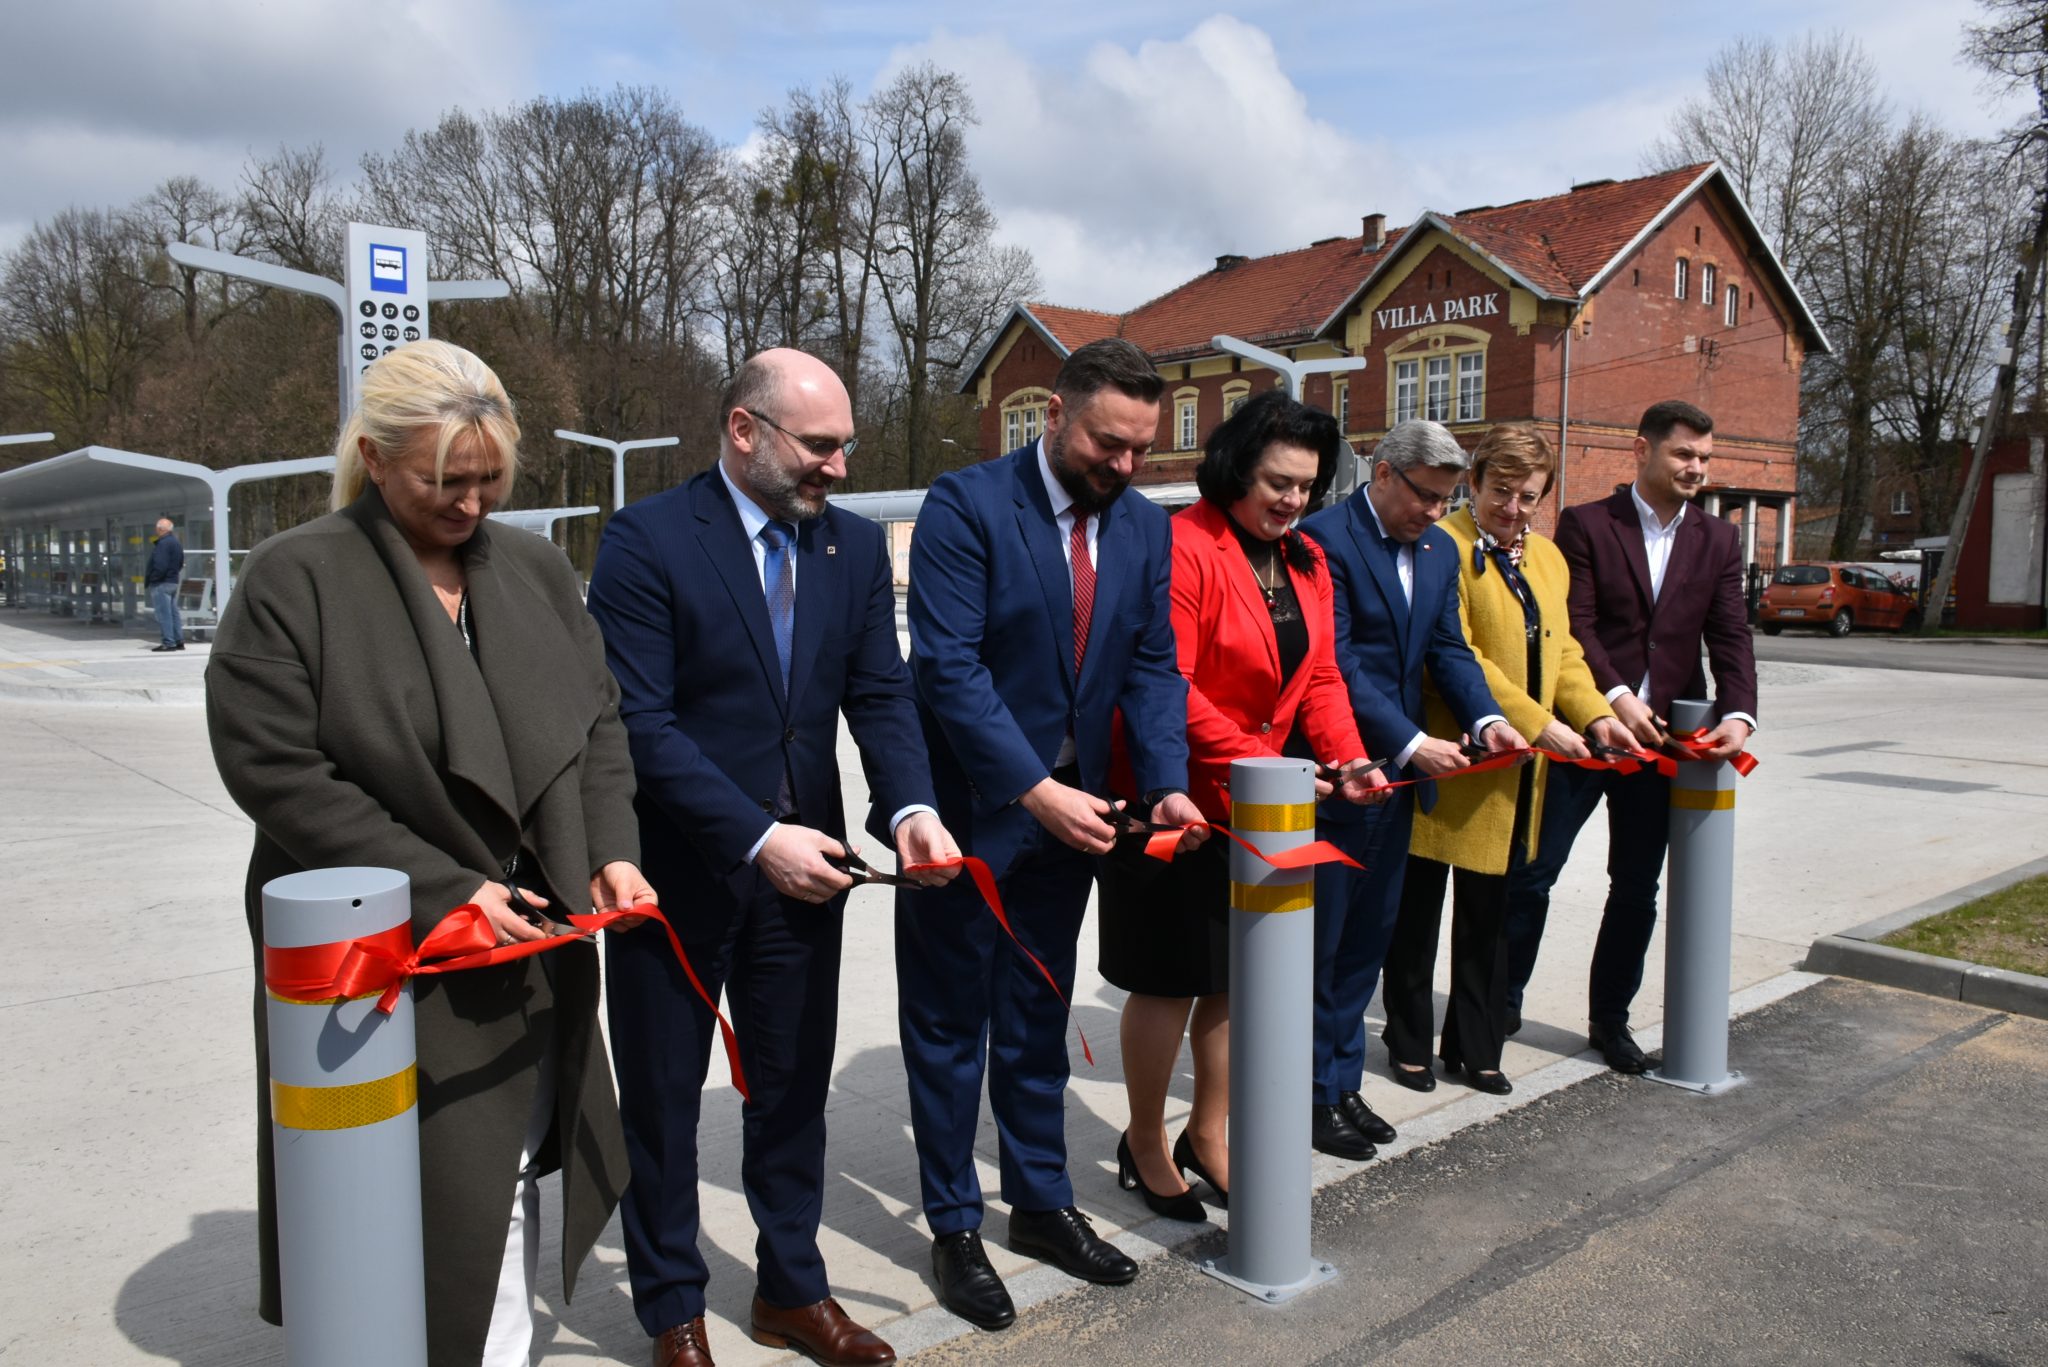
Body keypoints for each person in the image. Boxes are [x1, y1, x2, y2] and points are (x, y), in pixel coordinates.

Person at [206, 339, 651, 1367]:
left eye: (489, 480)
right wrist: (442, 886)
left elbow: (597, 729)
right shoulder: (296, 576)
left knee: (498, 1182)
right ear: (371, 455)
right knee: (389, 1195)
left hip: (523, 947)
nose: (468, 505)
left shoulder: (536, 571)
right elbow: (275, 768)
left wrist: (609, 851)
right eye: (441, 482)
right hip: (375, 956)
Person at [587, 348, 960, 1367]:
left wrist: (912, 805)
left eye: (848, 445)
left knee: (791, 1086)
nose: (839, 467)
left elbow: (879, 692)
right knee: (663, 1097)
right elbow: (642, 726)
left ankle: (791, 1286)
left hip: (813, 877)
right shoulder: (648, 541)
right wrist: (753, 836)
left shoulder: (842, 548)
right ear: (743, 430)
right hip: (676, 876)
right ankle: (672, 1305)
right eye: (821, 445)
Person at [897, 337, 1205, 1331]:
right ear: (1056, 415)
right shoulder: (968, 505)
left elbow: (1154, 666)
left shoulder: (1144, 530)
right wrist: (1031, 788)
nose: (1123, 467)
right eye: (1108, 444)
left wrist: (1161, 783)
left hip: (1078, 813)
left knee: (1034, 1012)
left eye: (1139, 451)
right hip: (975, 813)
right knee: (949, 1023)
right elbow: (946, 668)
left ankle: (1037, 1202)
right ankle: (951, 1223)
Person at [1099, 391, 1388, 1221]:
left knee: (1231, 983)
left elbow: (1323, 677)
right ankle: (1146, 1141)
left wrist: (1346, 755)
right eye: (1277, 480)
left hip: (1261, 805)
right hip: (1174, 803)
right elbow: (1169, 686)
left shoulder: (1306, 562)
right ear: (1235, 467)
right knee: (1167, 981)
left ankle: (1208, 1132)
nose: (1293, 499)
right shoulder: (1184, 546)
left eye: (1306, 483)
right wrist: (1278, 765)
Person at [1500, 400, 1757, 1073]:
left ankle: (1609, 1021)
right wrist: (1611, 699)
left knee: (1636, 887)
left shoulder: (1719, 539)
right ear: (1641, 450)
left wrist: (1739, 712)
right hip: (1585, 733)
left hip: (1665, 745)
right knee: (1532, 874)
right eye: (1683, 454)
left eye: (1704, 456)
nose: (1696, 467)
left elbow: (1729, 633)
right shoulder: (1586, 525)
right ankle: (1499, 1004)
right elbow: (1575, 625)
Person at [1380, 424, 1633, 1096]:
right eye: (1501, 490)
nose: (1513, 507)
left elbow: (1566, 651)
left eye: (1528, 495)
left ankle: (1476, 1042)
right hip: (1455, 762)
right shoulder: (1443, 545)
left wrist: (1597, 714)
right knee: (1419, 913)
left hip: (1521, 777)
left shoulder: (1548, 559)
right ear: (1475, 481)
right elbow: (1459, 656)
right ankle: (1407, 1039)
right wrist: (1539, 724)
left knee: (1493, 915)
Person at [1297, 419, 1526, 1160]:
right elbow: (1335, 663)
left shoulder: (1435, 551)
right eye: (1425, 496)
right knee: (1320, 949)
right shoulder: (1325, 539)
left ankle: (1338, 1080)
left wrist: (1484, 716)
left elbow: (1447, 647)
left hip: (1396, 786)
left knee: (1366, 944)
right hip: (1337, 776)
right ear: (1385, 473)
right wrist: (1408, 741)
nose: (1435, 511)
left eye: (1445, 498)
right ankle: (1306, 1092)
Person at [145, 516, 185, 651]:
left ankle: (168, 642)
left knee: (164, 614)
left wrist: (154, 578)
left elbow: (160, 565)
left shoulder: (163, 543)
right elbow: (180, 562)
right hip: (173, 581)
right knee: (173, 613)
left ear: (160, 529)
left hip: (162, 583)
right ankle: (179, 640)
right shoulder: (176, 542)